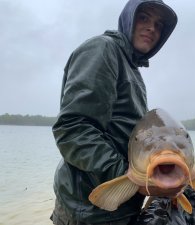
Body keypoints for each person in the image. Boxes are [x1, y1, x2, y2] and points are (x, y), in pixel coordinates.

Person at [50, 0, 178, 224]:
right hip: (89, 210)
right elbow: (72, 129)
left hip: (118, 206)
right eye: (144, 18)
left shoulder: (131, 69)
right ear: (128, 18)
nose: (152, 28)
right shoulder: (103, 49)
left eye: (159, 25)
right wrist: (131, 179)